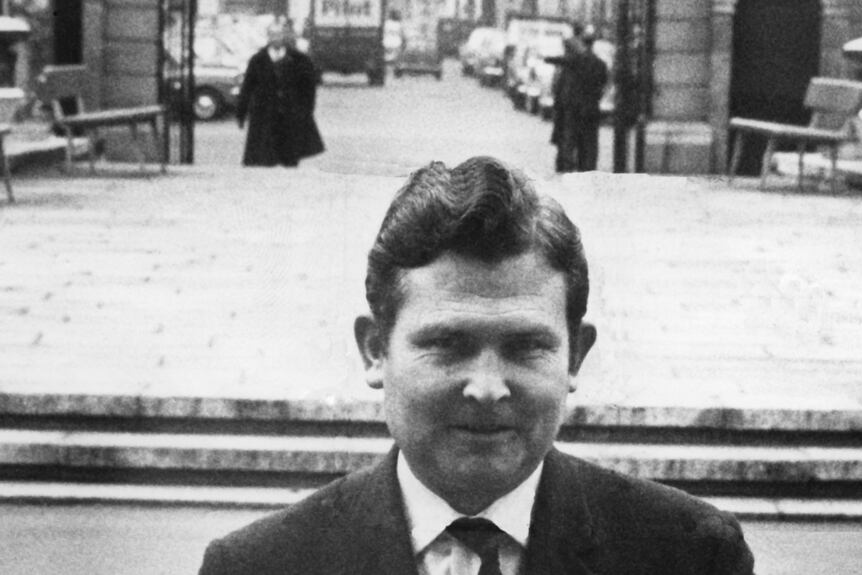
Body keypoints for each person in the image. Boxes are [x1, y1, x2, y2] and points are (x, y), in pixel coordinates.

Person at [197, 156, 755, 575]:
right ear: (375, 349)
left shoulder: (689, 555)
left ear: (575, 355)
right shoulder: (260, 566)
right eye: (447, 344)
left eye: (525, 346)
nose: (487, 389)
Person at [236, 21, 324, 167]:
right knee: (265, 159)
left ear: (284, 36)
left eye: (279, 34)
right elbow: (247, 88)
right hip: (265, 117)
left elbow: (309, 89)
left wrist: (306, 110)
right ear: (268, 37)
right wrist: (241, 114)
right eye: (273, 35)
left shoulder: (299, 60)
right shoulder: (257, 60)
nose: (276, 38)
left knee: (290, 160)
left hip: (289, 118)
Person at [549, 27, 608, 172]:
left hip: (574, 108)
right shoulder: (600, 64)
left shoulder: (576, 61)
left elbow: (558, 61)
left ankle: (568, 168)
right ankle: (587, 170)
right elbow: (603, 84)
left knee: (571, 140)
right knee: (589, 145)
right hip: (591, 108)